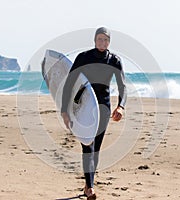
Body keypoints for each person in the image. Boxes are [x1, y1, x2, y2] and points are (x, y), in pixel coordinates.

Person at [61, 27, 127, 199]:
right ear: (94, 40)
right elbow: (69, 84)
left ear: (109, 42)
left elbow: (123, 87)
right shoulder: (83, 58)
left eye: (105, 40)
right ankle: (90, 187)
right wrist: (64, 110)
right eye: (99, 39)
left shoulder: (114, 61)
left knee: (95, 148)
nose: (102, 42)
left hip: (103, 108)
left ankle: (88, 183)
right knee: (87, 145)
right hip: (83, 106)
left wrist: (121, 106)